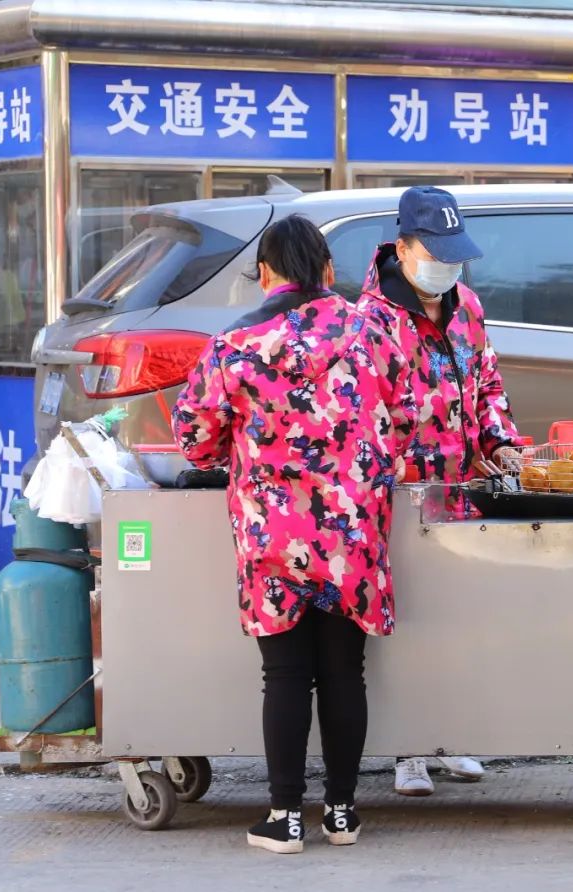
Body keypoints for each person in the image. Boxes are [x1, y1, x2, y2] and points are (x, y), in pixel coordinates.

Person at [173, 216, 418, 854]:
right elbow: (412, 413)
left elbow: (195, 439)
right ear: (328, 271)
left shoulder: (236, 341)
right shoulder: (376, 328)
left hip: (272, 531)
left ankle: (283, 817)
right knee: (346, 671)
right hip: (352, 529)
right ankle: (341, 813)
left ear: (265, 275)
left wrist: (244, 446)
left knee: (283, 675)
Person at [356, 186, 523, 797]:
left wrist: (499, 441)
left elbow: (487, 385)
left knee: (462, 614)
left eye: (456, 256)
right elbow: (360, 415)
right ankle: (408, 747)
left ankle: (454, 732)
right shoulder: (369, 321)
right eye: (435, 253)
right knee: (408, 620)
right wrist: (393, 467)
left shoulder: (467, 306)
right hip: (399, 499)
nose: (447, 268)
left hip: (461, 490)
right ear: (401, 248)